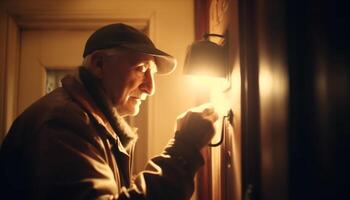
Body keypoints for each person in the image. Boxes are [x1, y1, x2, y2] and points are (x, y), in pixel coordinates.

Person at [0, 23, 218, 199]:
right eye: (141, 69)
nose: (150, 88)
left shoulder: (89, 122)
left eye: (151, 73)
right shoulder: (64, 123)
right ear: (99, 65)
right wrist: (182, 150)